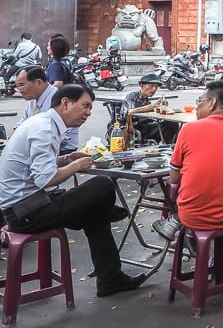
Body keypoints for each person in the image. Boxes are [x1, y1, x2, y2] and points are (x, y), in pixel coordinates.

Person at [0, 84, 147, 297]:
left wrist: (66, 159)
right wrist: (75, 166)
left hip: (27, 206)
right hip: (27, 213)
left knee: (95, 215)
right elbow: (45, 179)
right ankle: (109, 217)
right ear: (66, 102)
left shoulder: (43, 123)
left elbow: (36, 168)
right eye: (85, 106)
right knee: (102, 184)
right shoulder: (45, 129)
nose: (88, 112)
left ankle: (110, 279)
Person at [152, 81, 223, 241]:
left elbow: (174, 178)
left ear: (212, 103)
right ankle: (187, 237)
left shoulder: (188, 129)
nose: (197, 107)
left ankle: (176, 224)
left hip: (192, 216)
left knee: (177, 184)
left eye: (199, 101)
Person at [14, 65, 78, 154]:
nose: (20, 90)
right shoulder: (34, 101)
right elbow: (23, 123)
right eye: (17, 86)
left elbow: (62, 136)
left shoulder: (59, 100)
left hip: (61, 151)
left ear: (38, 82)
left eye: (21, 85)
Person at [118, 74, 176, 144]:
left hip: (148, 126)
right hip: (136, 127)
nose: (154, 89)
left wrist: (161, 108)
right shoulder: (132, 96)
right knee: (167, 125)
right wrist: (152, 106)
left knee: (172, 123)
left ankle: (174, 146)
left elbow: (151, 116)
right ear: (142, 85)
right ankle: (170, 146)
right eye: (151, 86)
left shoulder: (147, 100)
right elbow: (129, 112)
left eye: (156, 87)